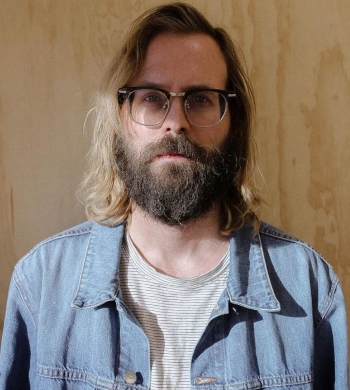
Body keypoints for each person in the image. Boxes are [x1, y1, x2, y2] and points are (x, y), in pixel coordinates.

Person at [0, 2, 348, 389]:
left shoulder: (308, 288)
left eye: (200, 98)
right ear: (119, 118)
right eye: (151, 97)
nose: (176, 123)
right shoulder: (42, 285)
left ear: (234, 124)